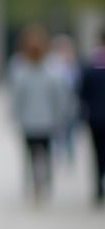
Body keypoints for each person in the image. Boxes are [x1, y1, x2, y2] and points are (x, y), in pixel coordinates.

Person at [9, 25, 71, 201]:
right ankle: (45, 183)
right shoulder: (52, 72)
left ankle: (33, 184)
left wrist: (16, 117)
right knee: (45, 154)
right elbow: (59, 98)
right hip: (46, 121)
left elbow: (17, 99)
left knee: (30, 155)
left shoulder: (22, 72)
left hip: (30, 122)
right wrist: (59, 117)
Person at [46, 34, 82, 164]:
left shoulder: (73, 64)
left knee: (70, 131)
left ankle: (70, 156)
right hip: (56, 103)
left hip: (71, 104)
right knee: (57, 131)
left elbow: (77, 84)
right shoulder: (51, 64)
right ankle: (58, 154)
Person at [79, 31, 105, 204]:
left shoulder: (91, 65)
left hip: (95, 116)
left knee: (97, 153)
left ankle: (98, 186)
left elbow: (82, 93)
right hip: (96, 116)